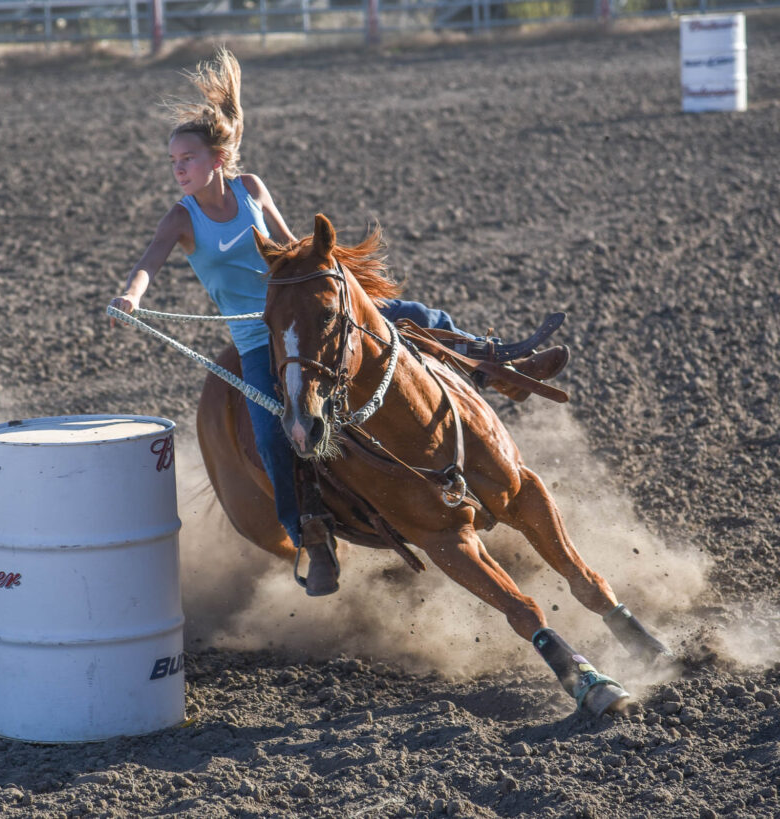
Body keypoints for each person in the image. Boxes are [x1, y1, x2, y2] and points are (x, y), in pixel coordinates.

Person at [109, 48, 565, 596]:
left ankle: (499, 367)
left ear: (218, 157)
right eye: (173, 161)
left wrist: (332, 286)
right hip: (261, 338)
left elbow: (290, 245)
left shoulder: (251, 189)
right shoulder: (181, 218)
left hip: (307, 309)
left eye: (186, 158)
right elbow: (148, 262)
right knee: (272, 431)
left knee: (414, 318)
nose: (178, 169)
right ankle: (312, 536)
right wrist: (131, 297)